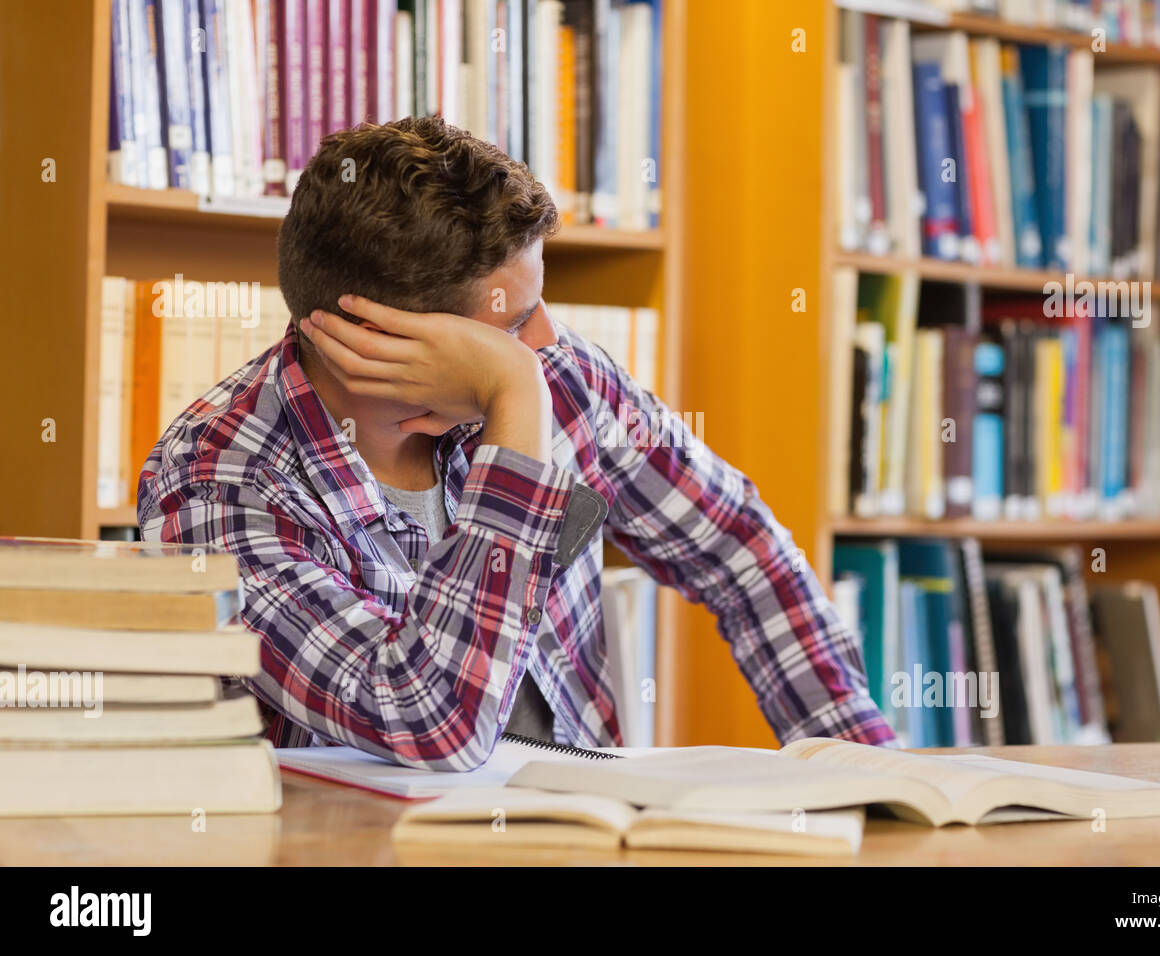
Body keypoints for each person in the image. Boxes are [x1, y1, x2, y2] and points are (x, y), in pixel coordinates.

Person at [138, 116, 896, 769]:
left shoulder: (558, 374)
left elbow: (740, 549)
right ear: (377, 339)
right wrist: (514, 405)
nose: (544, 341)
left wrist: (864, 769)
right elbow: (430, 721)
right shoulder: (217, 483)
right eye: (508, 329)